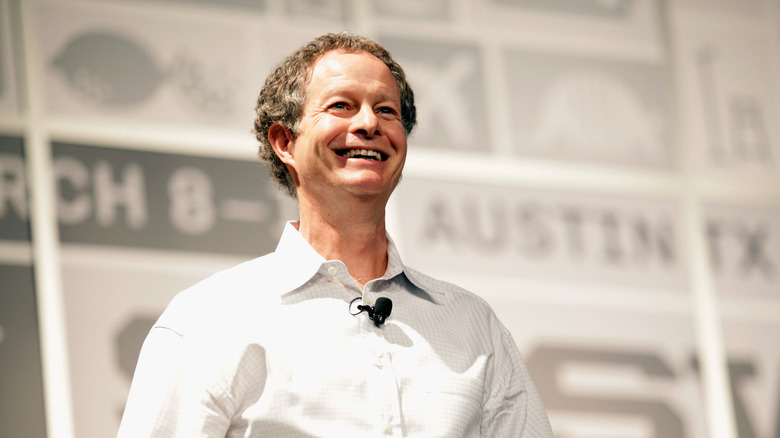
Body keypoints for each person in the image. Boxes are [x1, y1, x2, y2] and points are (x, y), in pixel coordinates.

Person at [118, 32, 553, 437]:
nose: (369, 124)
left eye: (387, 110)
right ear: (284, 141)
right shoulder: (211, 318)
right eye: (342, 106)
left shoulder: (473, 326)